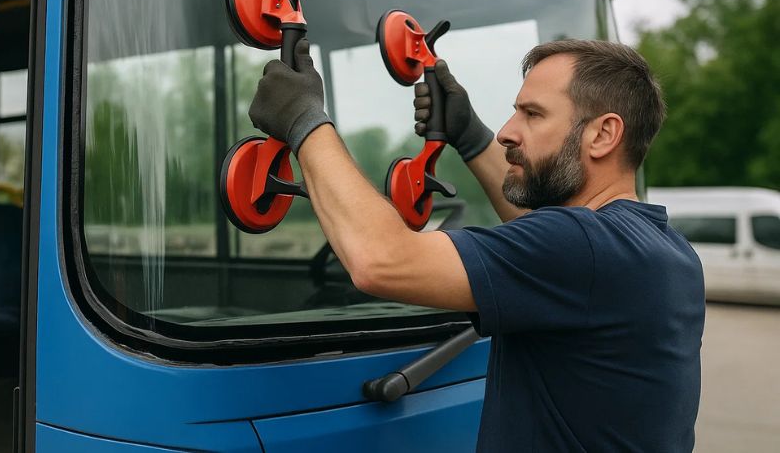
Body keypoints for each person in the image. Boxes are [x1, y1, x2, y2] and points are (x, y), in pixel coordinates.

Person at [248, 37, 705, 452]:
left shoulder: (581, 247)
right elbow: (548, 254)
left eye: (533, 113)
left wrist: (305, 120)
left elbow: (381, 260)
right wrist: (469, 135)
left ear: (603, 134)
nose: (508, 130)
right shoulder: (666, 250)